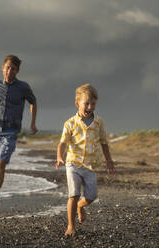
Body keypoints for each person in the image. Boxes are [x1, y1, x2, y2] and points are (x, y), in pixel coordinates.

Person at [0, 54, 38, 215]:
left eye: (13, 68)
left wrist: (32, 123)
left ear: (17, 71)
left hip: (10, 132)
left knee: (0, 166)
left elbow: (33, 103)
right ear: (3, 68)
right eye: (8, 67)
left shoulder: (23, 87)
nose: (10, 71)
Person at [55, 83, 116, 237]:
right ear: (78, 104)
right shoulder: (70, 123)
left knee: (91, 196)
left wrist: (109, 161)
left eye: (93, 104)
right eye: (86, 103)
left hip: (91, 165)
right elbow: (62, 143)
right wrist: (59, 157)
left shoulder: (99, 122)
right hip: (73, 163)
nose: (90, 107)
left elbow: (104, 143)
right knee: (73, 194)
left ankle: (80, 207)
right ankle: (70, 226)